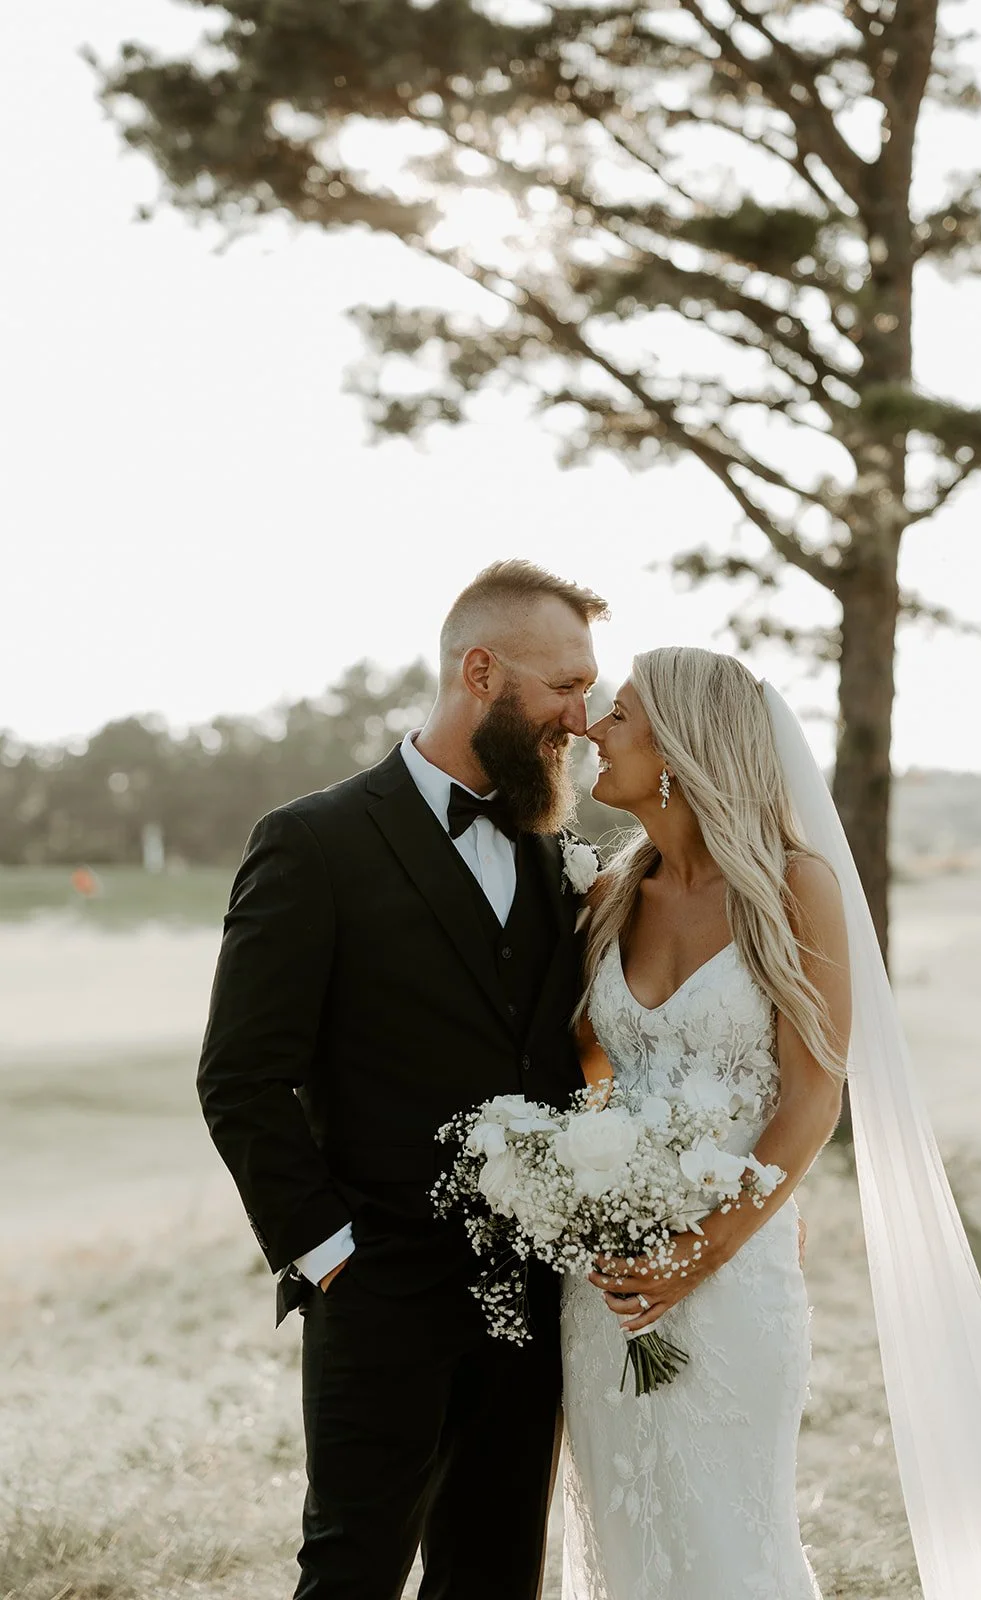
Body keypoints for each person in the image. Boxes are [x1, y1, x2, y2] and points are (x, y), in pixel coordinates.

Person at [196, 559, 606, 1600]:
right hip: (377, 1298)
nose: (582, 715)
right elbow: (241, 1076)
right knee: (351, 1575)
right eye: (563, 685)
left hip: (526, 1304)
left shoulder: (556, 858)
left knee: (495, 1578)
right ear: (480, 670)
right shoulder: (313, 842)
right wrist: (335, 1259)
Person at [562, 647, 850, 1599]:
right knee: (624, 1532)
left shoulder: (791, 886)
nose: (593, 730)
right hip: (610, 1283)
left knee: (730, 1541)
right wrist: (590, 1183)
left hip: (732, 1276)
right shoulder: (607, 897)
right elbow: (590, 1068)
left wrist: (704, 1248)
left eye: (621, 716)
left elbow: (813, 1096)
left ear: (678, 750)